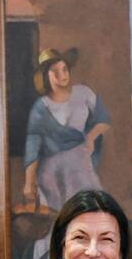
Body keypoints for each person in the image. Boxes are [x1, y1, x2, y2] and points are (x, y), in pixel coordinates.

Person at [23, 47, 112, 212]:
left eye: (64, 69)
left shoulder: (84, 93)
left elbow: (103, 119)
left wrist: (91, 137)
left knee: (89, 207)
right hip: (51, 169)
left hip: (79, 163)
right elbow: (32, 145)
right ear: (45, 76)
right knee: (59, 216)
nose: (61, 75)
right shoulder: (40, 107)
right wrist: (29, 182)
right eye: (54, 71)